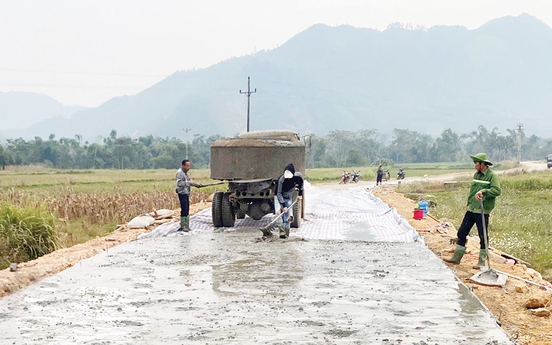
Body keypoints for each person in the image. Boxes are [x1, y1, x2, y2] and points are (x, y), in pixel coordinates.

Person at [444, 153, 501, 266]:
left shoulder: (492, 176)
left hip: (482, 210)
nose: (475, 165)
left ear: (483, 164)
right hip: (471, 209)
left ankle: (481, 262)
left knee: (482, 235)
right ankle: (456, 257)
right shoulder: (476, 175)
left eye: (476, 163)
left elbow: (497, 191)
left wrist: (483, 192)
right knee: (462, 232)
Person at [274, 163, 304, 239]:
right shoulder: (281, 179)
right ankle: (281, 231)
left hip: (288, 196)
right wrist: (283, 206)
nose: (288, 179)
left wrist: (300, 195)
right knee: (278, 213)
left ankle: (286, 235)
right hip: (278, 196)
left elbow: (301, 186)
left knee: (288, 217)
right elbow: (278, 193)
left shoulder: (298, 177)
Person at [175, 159, 202, 231]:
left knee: (186, 209)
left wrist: (197, 185)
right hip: (182, 193)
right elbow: (179, 183)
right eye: (187, 166)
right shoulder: (180, 173)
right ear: (183, 165)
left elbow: (190, 182)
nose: (189, 167)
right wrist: (189, 183)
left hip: (186, 193)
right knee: (184, 209)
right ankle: (183, 226)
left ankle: (186, 226)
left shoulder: (185, 173)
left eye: (189, 165)